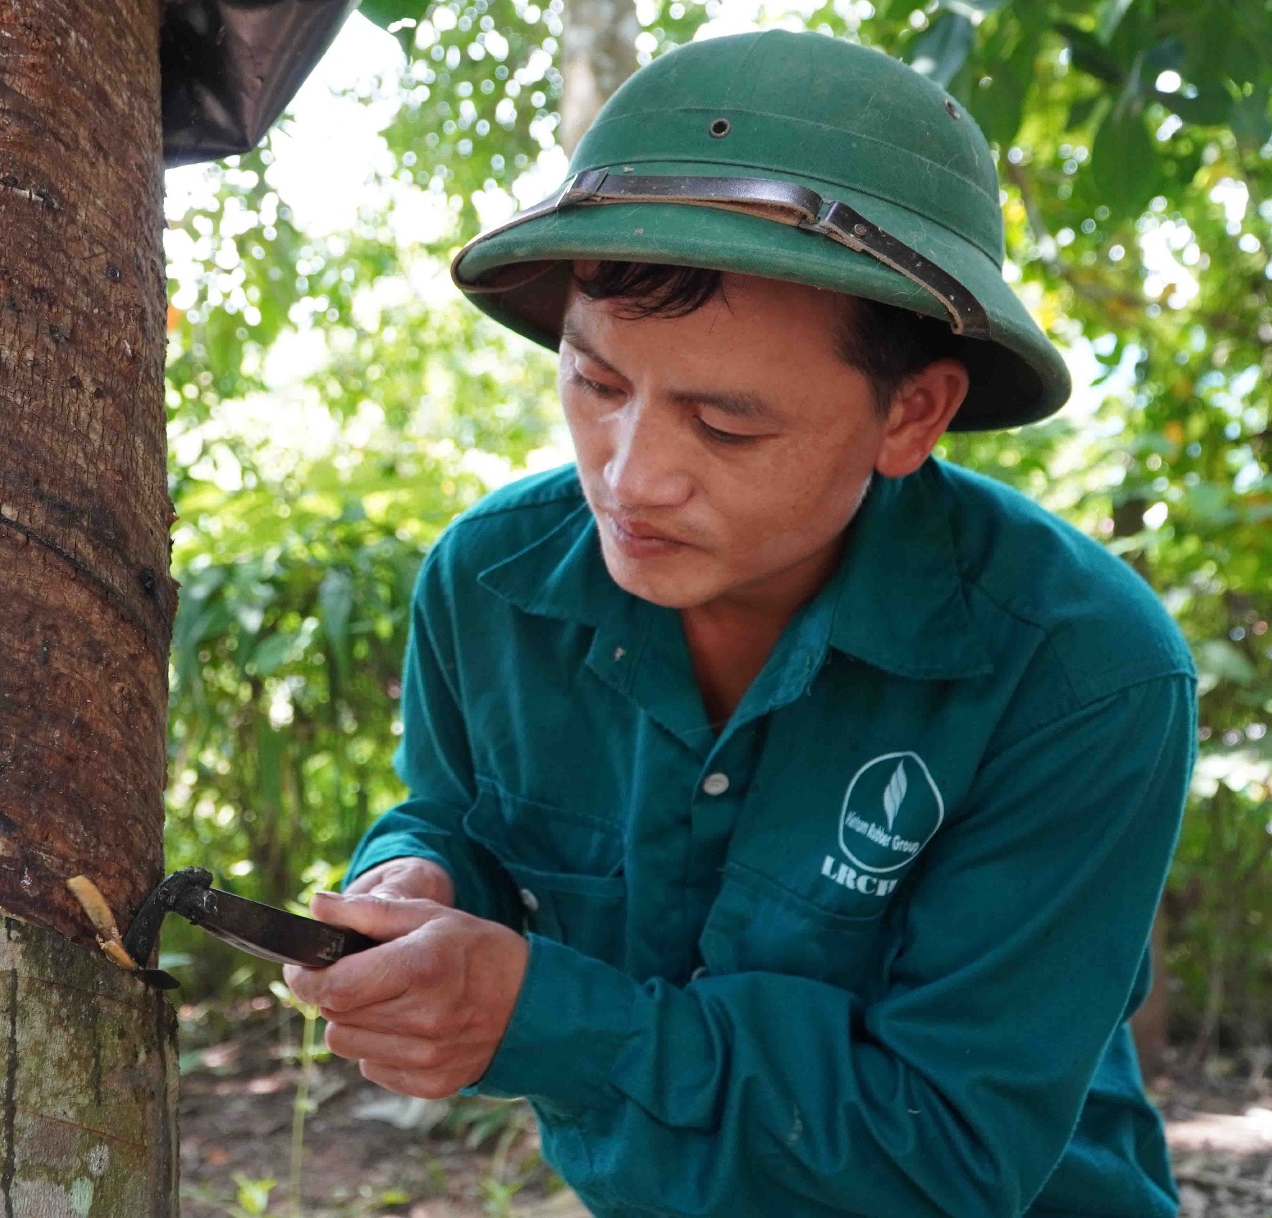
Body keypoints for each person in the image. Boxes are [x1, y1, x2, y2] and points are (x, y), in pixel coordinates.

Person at [281, 29, 1194, 1218]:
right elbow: (463, 819)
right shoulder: (490, 586)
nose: (631, 477)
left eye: (726, 426)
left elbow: (949, 1156)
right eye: (596, 384)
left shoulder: (1082, 673)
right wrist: (422, 877)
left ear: (911, 415)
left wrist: (552, 1019)